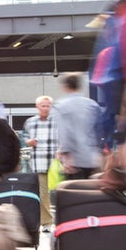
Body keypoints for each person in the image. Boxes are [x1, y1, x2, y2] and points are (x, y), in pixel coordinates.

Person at [53, 72, 103, 180]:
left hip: (73, 160)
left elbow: (64, 133)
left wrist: (66, 157)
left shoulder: (61, 106)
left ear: (65, 86)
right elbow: (100, 130)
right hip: (92, 157)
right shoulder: (92, 104)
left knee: (74, 193)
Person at [22, 95, 57, 233]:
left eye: (48, 105)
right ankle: (47, 222)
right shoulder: (30, 122)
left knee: (59, 192)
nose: (46, 108)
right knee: (43, 194)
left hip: (56, 163)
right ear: (37, 107)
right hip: (38, 161)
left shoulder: (57, 121)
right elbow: (24, 138)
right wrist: (29, 142)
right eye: (43, 105)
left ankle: (61, 220)